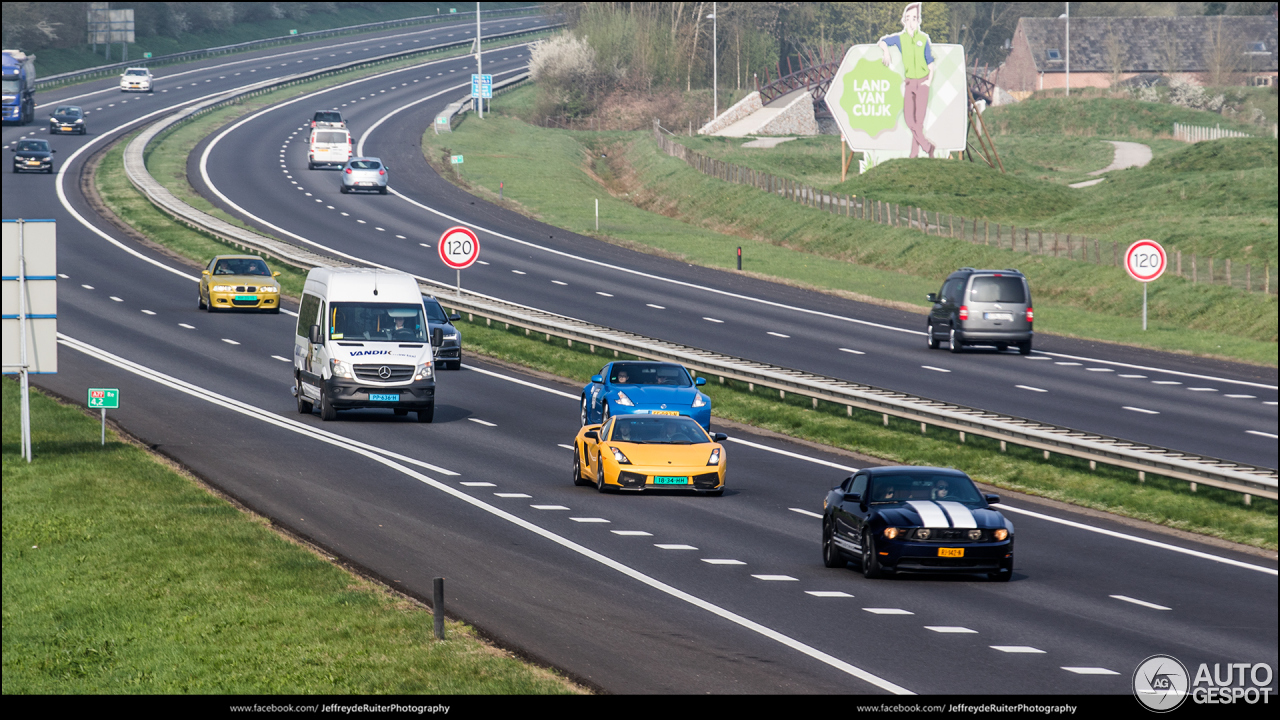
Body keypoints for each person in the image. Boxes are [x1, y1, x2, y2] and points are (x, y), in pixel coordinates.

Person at [878, 2, 936, 158]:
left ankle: (914, 153)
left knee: (919, 121)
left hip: (923, 81)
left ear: (918, 21)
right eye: (908, 18)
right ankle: (927, 146)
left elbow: (930, 61)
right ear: (904, 20)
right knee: (909, 119)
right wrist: (886, 52)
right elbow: (882, 41)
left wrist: (929, 81)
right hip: (910, 81)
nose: (911, 21)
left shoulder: (923, 39)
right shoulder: (900, 39)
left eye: (915, 18)